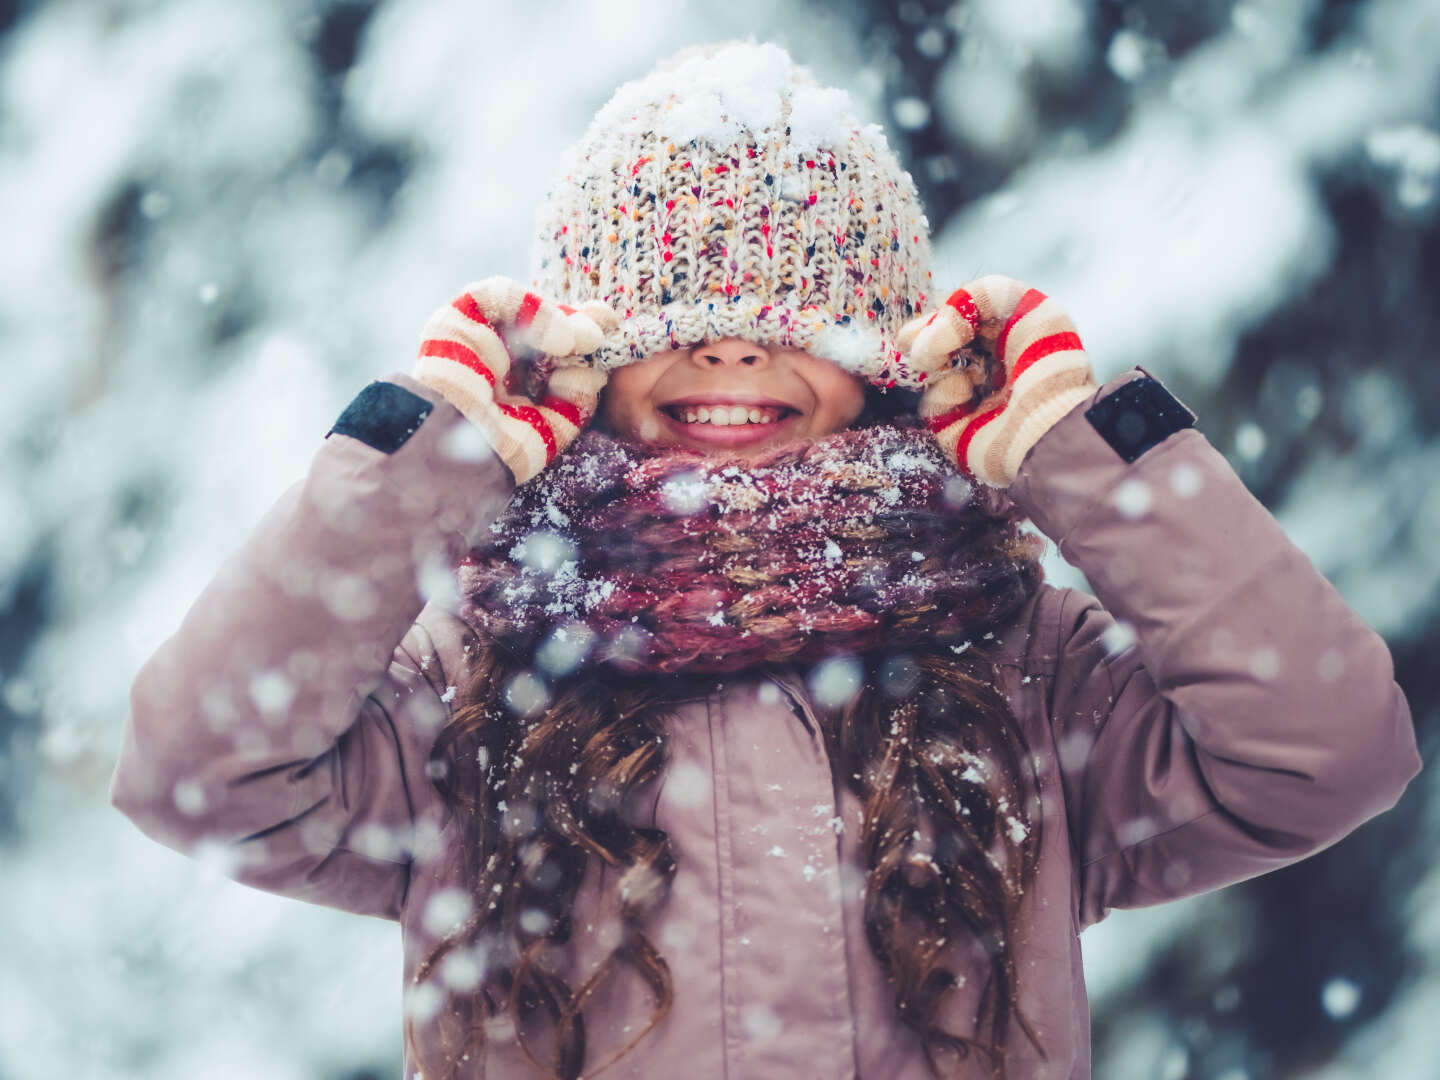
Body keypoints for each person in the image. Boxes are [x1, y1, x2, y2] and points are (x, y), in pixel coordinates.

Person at [109, 41, 1421, 1080]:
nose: (731, 358)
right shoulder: (478, 676)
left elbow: (1324, 748)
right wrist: (416, 467)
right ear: (583, 372)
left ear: (881, 370)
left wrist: (1084, 449)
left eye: (795, 320)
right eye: (677, 320)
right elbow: (197, 773)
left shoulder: (1017, 663)